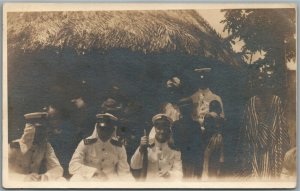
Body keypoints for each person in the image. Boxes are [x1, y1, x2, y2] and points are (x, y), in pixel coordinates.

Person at [236, 62, 290, 179]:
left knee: (270, 178)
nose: (261, 84)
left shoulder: (276, 101)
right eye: (258, 81)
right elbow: (245, 130)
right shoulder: (250, 102)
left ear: (268, 83)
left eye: (264, 81)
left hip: (272, 151)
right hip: (254, 151)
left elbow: (281, 128)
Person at [68, 113, 133, 181]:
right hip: (90, 178)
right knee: (75, 179)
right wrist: (95, 171)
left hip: (110, 180)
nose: (104, 132)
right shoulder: (86, 143)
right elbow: (73, 166)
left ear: (113, 130)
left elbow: (124, 172)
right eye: (102, 128)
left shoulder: (119, 146)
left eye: (108, 129)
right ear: (97, 128)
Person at [8, 112, 64, 181]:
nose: (44, 132)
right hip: (16, 185)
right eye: (40, 129)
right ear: (30, 130)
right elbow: (3, 173)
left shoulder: (45, 146)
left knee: (61, 180)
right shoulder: (14, 146)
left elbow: (57, 168)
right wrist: (23, 178)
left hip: (35, 183)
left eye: (45, 129)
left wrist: (46, 176)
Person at [131, 114, 183, 181]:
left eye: (165, 129)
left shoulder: (174, 149)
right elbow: (134, 166)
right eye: (159, 128)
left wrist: (170, 174)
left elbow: (179, 173)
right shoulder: (147, 146)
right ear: (155, 128)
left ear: (169, 129)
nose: (162, 131)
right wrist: (141, 148)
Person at [172, 99, 203, 179]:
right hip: (181, 159)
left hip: (188, 159)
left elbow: (198, 146)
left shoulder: (176, 125)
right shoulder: (176, 125)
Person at [202, 100, 225, 179]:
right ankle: (216, 173)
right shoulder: (221, 118)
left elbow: (207, 128)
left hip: (211, 138)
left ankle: (207, 174)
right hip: (220, 138)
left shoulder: (209, 116)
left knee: (207, 156)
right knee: (217, 157)